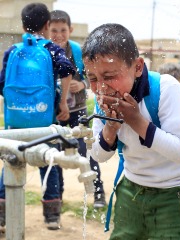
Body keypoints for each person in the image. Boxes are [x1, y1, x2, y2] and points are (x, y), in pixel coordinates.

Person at [82, 23, 180, 239]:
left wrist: (136, 120)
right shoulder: (102, 99)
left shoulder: (166, 88)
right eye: (92, 78)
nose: (100, 87)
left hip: (175, 195)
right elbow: (98, 155)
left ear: (137, 67)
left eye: (109, 77)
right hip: (130, 191)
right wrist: (110, 128)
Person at [0, 3, 75, 231]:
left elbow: (2, 84)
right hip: (45, 119)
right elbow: (67, 70)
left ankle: (2, 216)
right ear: (47, 25)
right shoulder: (52, 49)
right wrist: (62, 103)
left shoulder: (12, 51)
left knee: (11, 162)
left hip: (15, 122)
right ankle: (52, 217)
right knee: (48, 162)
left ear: (23, 25)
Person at [49, 10, 106, 208]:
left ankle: (99, 193)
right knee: (55, 154)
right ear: (47, 30)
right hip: (55, 113)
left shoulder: (77, 52)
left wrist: (82, 85)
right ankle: (58, 197)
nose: (58, 34)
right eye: (54, 30)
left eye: (63, 30)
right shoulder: (45, 52)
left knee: (85, 151)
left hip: (78, 112)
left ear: (70, 30)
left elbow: (95, 77)